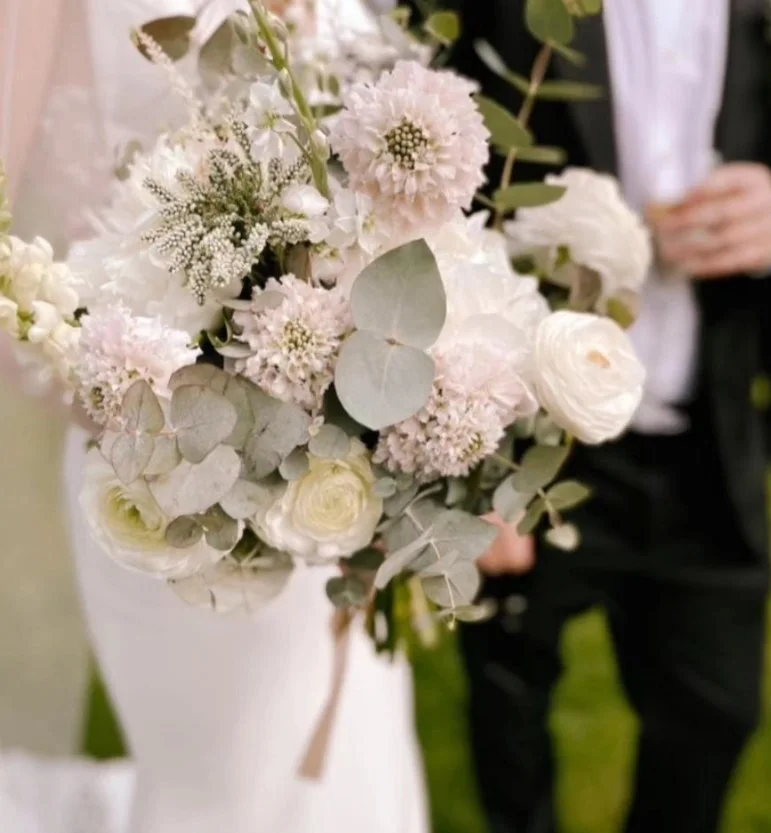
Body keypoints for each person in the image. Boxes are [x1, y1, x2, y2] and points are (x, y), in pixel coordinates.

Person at [0, 1, 429, 832]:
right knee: (219, 792)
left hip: (342, 476)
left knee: (352, 764)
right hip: (169, 478)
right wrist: (162, 402)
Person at [445, 2, 771, 832]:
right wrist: (469, 457)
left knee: (714, 714)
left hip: (708, 440)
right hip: (530, 442)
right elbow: (431, 202)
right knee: (511, 715)